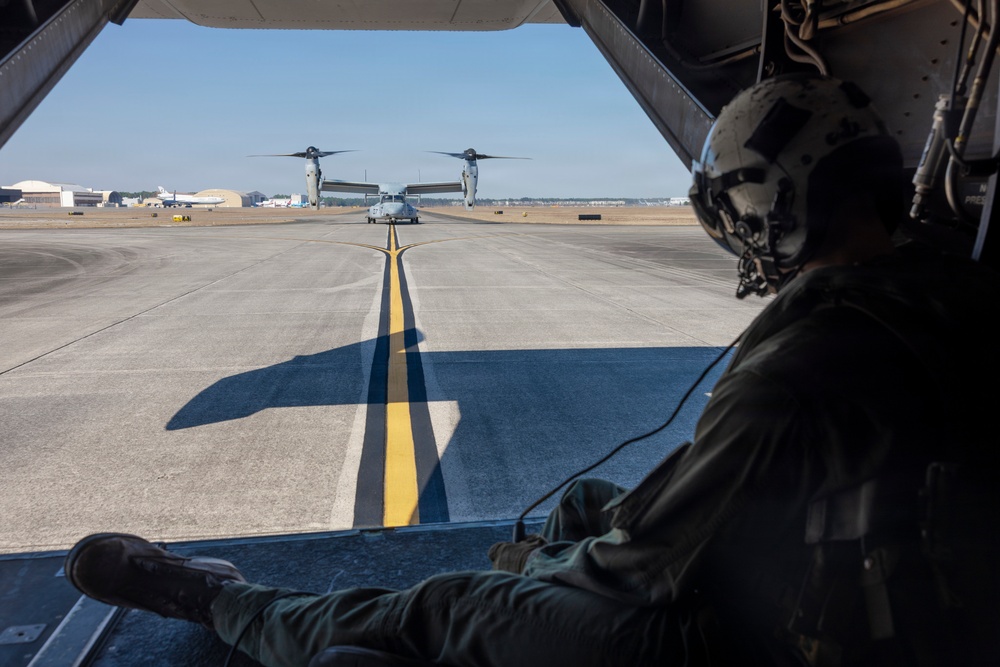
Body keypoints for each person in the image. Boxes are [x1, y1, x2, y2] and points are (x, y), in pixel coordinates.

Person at [63, 74, 1000, 667]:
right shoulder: (940, 294)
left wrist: (529, 566)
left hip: (763, 631)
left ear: (758, 208)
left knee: (446, 600)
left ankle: (224, 602)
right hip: (893, 584)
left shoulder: (795, 371)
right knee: (593, 496)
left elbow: (644, 575)